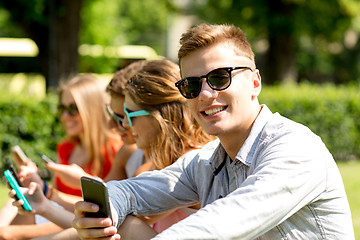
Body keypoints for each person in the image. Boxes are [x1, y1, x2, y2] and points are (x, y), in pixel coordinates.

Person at [72, 23, 353, 239]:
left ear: (255, 82)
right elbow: (132, 192)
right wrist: (99, 212)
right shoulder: (206, 162)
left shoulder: (296, 149)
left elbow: (226, 222)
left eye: (220, 78)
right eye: (192, 86)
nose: (205, 94)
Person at [0, 74, 122, 240]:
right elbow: (54, 194)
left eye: (73, 109)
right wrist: (37, 184)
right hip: (57, 213)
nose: (65, 116)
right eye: (62, 108)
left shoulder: (114, 151)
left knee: (5, 233)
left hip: (79, 220)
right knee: (12, 207)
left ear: (92, 110)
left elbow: (108, 207)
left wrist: (48, 191)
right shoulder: (66, 148)